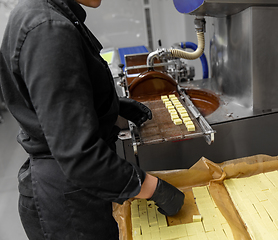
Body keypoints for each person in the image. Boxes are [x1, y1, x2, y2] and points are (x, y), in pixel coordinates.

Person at [0, 0, 185, 239]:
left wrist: (111, 106)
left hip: (65, 185)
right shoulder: (48, 29)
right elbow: (79, 154)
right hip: (67, 204)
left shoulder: (41, 12)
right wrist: (155, 189)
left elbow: (50, 102)